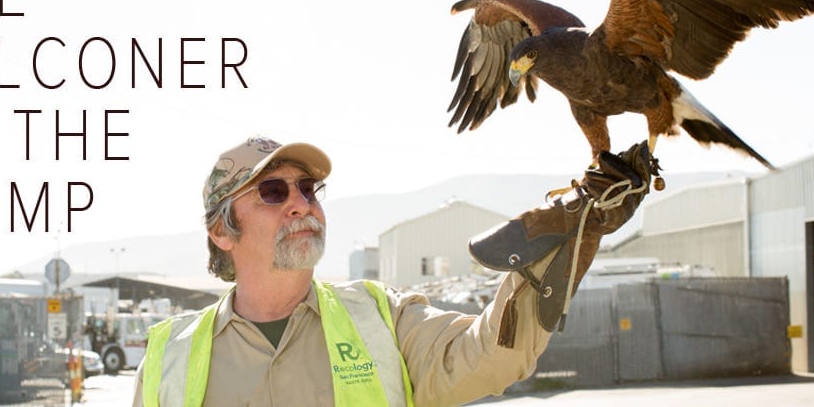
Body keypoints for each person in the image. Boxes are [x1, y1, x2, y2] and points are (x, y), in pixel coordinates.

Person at [134, 135, 653, 406]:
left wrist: (575, 235)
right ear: (222, 232)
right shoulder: (168, 358)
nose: (300, 204)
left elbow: (494, 356)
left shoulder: (381, 319)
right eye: (273, 192)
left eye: (308, 189)